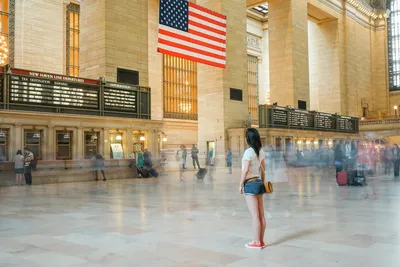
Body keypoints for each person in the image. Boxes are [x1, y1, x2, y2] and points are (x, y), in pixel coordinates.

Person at [239, 128, 266, 249]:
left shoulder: (248, 152)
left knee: (255, 216)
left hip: (250, 183)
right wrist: (263, 182)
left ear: (248, 139)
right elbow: (263, 170)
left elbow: (245, 170)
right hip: (259, 182)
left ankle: (256, 242)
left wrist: (240, 184)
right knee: (261, 215)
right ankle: (261, 240)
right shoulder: (261, 151)